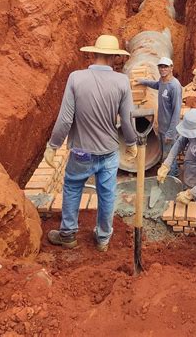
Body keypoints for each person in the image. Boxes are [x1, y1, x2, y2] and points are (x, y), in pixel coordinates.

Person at [45, 35, 137, 252]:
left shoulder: (76, 78)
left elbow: (66, 119)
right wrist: (132, 143)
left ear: (94, 53)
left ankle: (67, 235)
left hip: (81, 152)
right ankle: (103, 238)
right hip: (109, 153)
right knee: (107, 194)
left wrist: (53, 145)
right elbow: (127, 119)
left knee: (73, 188)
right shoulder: (122, 82)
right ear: (115, 57)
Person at [157, 108, 196, 203]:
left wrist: (191, 193)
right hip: (189, 172)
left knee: (195, 207)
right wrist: (166, 164)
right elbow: (181, 141)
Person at [137, 57, 182, 177]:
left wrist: (171, 133)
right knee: (165, 155)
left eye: (166, 66)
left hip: (169, 130)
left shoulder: (174, 86)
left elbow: (176, 112)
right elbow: (157, 85)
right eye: (161, 67)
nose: (163, 69)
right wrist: (143, 81)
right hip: (162, 128)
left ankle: (170, 181)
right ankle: (174, 174)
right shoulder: (162, 81)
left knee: (168, 158)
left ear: (171, 68)